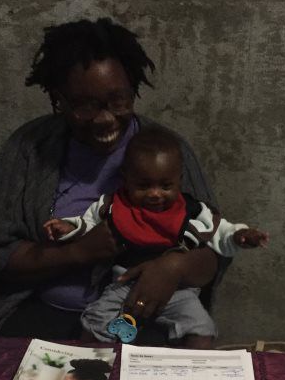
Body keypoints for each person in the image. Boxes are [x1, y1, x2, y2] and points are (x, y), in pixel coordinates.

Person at [0, 18, 223, 340]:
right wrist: (78, 252)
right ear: (58, 99)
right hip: (41, 313)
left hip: (143, 315)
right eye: (84, 105)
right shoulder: (27, 150)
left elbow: (214, 253)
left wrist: (173, 268)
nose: (105, 119)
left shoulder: (166, 152)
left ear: (133, 90)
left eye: (118, 101)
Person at [44, 127, 268, 347]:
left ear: (179, 180)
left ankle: (195, 374)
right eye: (143, 185)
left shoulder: (193, 210)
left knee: (202, 328)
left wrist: (240, 235)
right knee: (95, 323)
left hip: (179, 291)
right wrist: (69, 227)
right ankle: (92, 370)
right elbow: (89, 223)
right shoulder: (113, 205)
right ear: (126, 178)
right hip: (124, 287)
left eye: (165, 186)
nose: (155, 193)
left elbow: (221, 233)